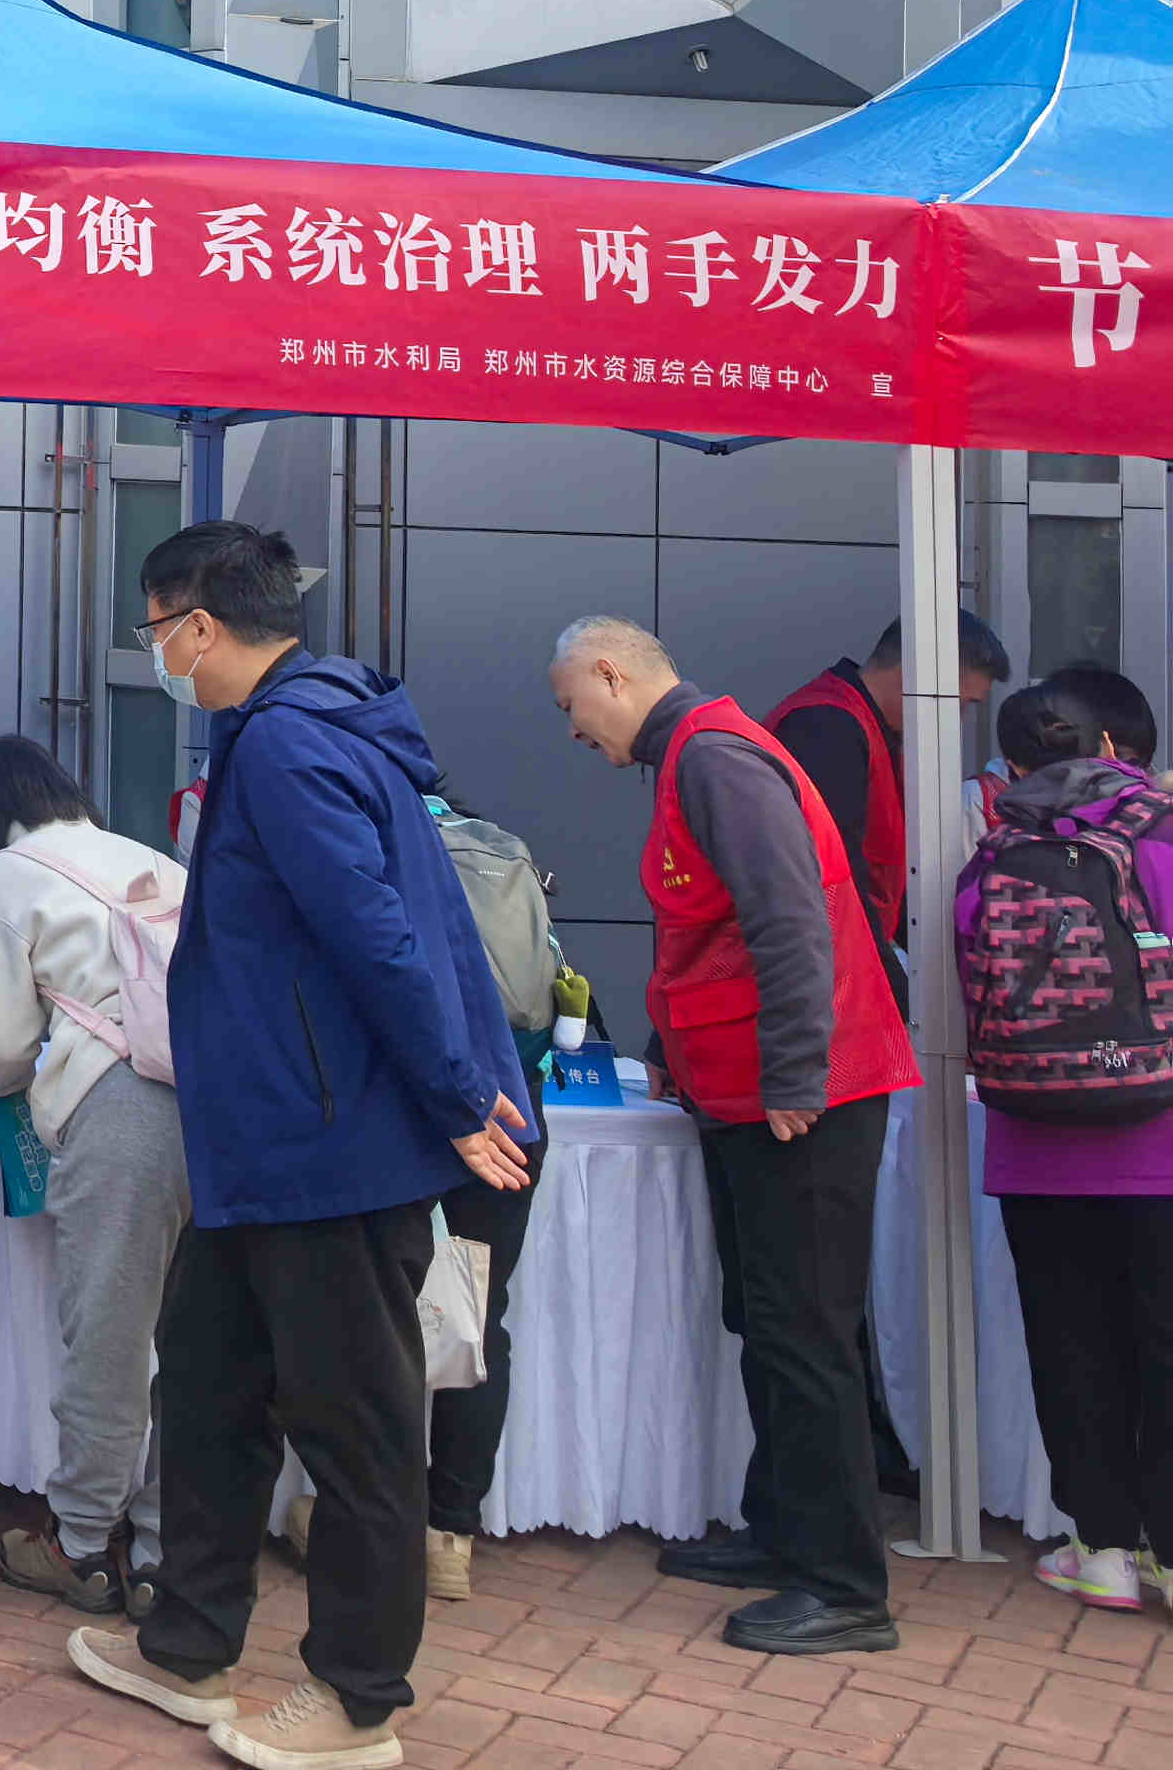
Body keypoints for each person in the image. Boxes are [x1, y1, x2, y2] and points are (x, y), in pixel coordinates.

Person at [66, 522, 528, 1770]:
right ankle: (189, 1645)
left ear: (197, 627)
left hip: (331, 1143)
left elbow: (376, 933)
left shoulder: (286, 742)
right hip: (265, 1147)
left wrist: (453, 1095)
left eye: (154, 631)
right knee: (209, 1384)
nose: (155, 654)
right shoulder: (301, 729)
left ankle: (356, 1699)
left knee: (354, 1424)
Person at [551, 615, 913, 1657]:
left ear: (611, 674)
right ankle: (784, 1529)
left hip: (801, 1092)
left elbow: (788, 918)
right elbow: (705, 933)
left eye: (571, 705)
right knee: (768, 1321)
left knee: (805, 1335)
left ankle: (845, 1587)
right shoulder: (694, 755)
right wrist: (672, 1046)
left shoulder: (713, 757)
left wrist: (796, 1069)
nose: (573, 730)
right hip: (752, 1088)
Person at [0, 734, 187, 1616]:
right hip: (227, 1110)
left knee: (112, 1338)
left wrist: (18, 1081)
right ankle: (166, 1553)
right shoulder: (151, 860)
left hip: (125, 1109)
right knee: (194, 1342)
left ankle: (81, 1544)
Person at [958, 673, 1173, 1611]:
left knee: (1072, 1345)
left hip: (1036, 1141)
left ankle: (1104, 1550)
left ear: (1012, 769)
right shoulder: (1164, 834)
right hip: (1162, 1141)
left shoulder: (989, 857)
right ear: (1118, 750)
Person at [417, 783, 565, 1601]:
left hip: (414, 1103)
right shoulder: (498, 843)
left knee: (377, 1305)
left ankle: (363, 1517)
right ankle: (450, 1533)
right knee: (479, 1308)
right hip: (513, 1100)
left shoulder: (368, 840)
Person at [768, 611, 1011, 979]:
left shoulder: (871, 727)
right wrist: (889, 986)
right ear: (917, 677)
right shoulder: (828, 729)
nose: (958, 721)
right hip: (812, 970)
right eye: (958, 703)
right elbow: (836, 883)